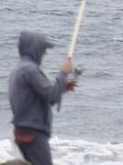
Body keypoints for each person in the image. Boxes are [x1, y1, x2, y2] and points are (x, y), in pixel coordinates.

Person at [8, 31, 75, 165]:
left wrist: (63, 87)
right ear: (34, 48)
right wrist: (63, 73)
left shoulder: (19, 68)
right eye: (43, 49)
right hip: (33, 132)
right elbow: (51, 97)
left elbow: (38, 100)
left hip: (23, 130)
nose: (45, 53)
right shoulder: (30, 70)